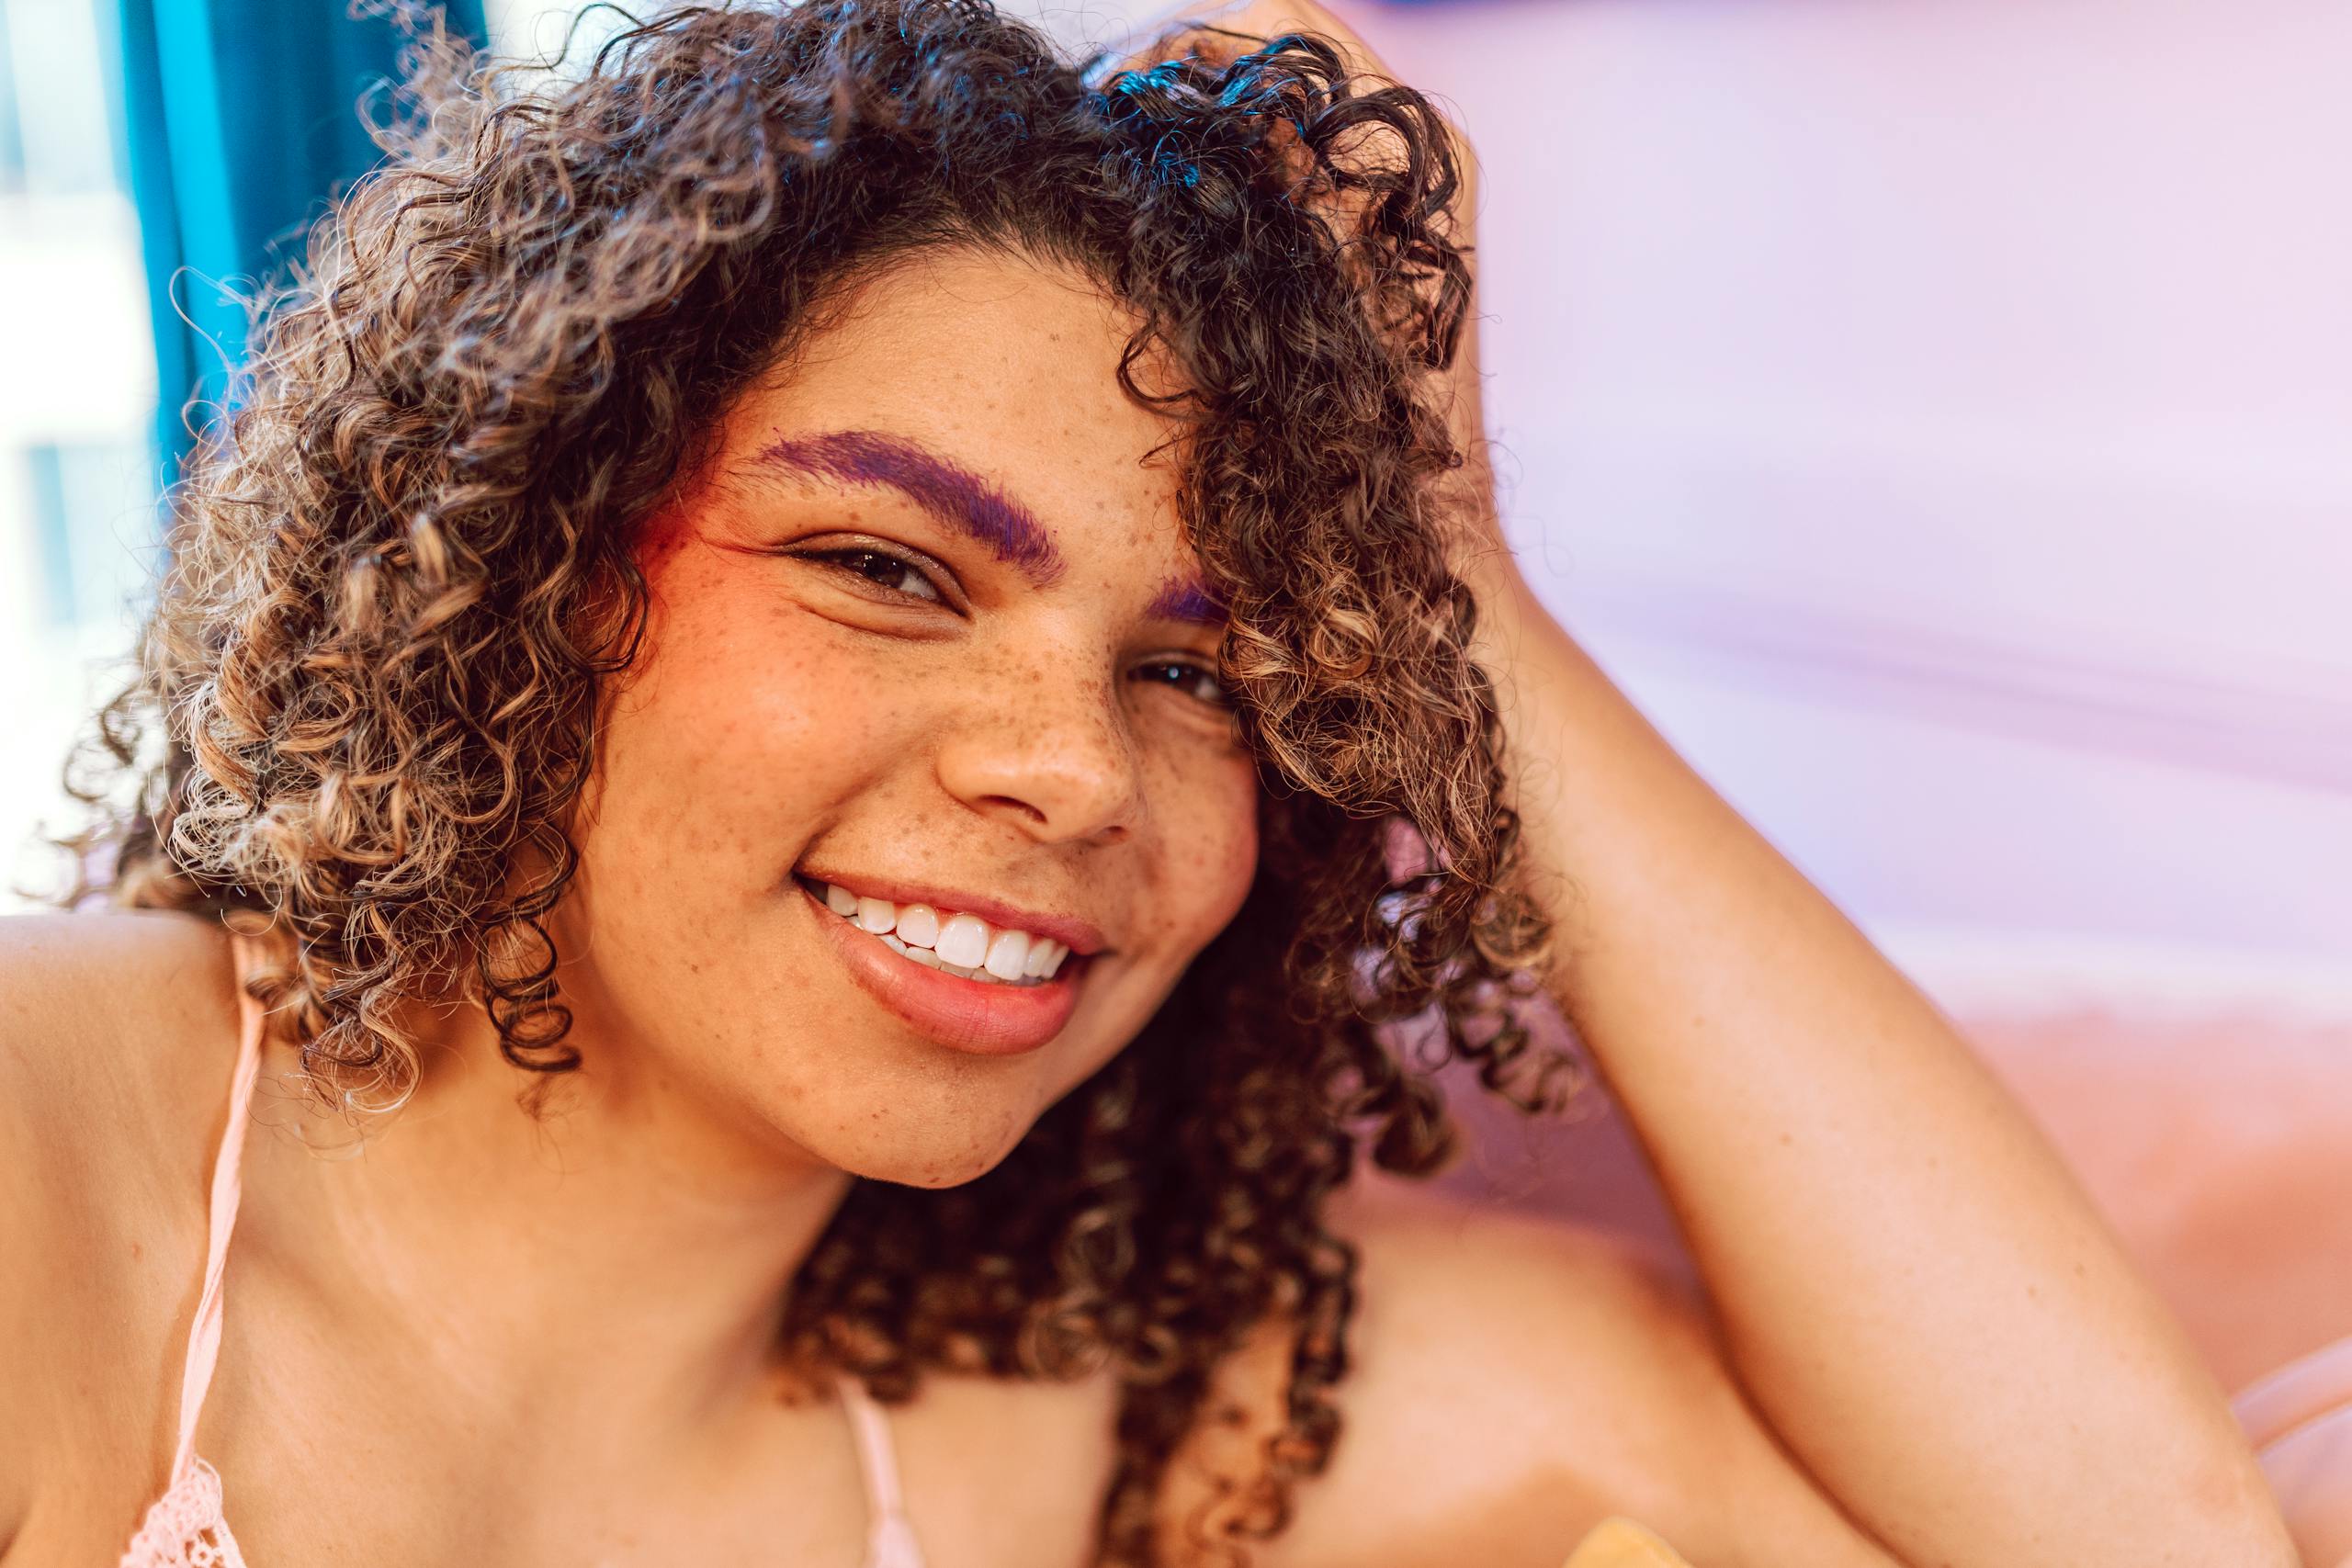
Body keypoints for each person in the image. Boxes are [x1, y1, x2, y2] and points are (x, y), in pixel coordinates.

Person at [0, 1, 2300, 1564]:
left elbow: (2134, 1532)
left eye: (1201, 669)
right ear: (521, 559)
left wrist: (1448, 580)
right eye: (886, 567)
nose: (1071, 767)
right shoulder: (47, 1154)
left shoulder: (1071, 1410)